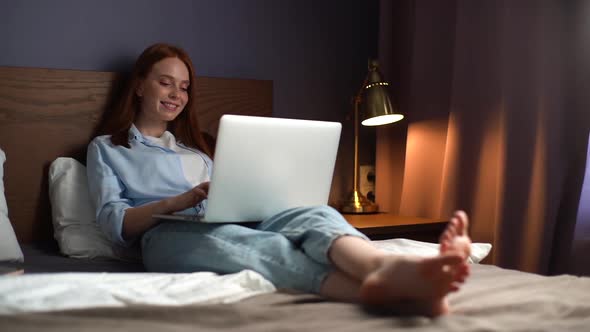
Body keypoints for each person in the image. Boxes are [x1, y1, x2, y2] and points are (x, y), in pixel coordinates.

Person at [86, 43, 472, 317]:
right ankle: (387, 292)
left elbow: (230, 197)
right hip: (162, 238)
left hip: (225, 219)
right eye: (165, 82)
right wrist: (176, 203)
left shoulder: (198, 151)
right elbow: (115, 225)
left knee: (312, 213)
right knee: (250, 243)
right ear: (139, 85)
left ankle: (380, 266)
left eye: (184, 86)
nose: (177, 94)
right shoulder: (108, 149)